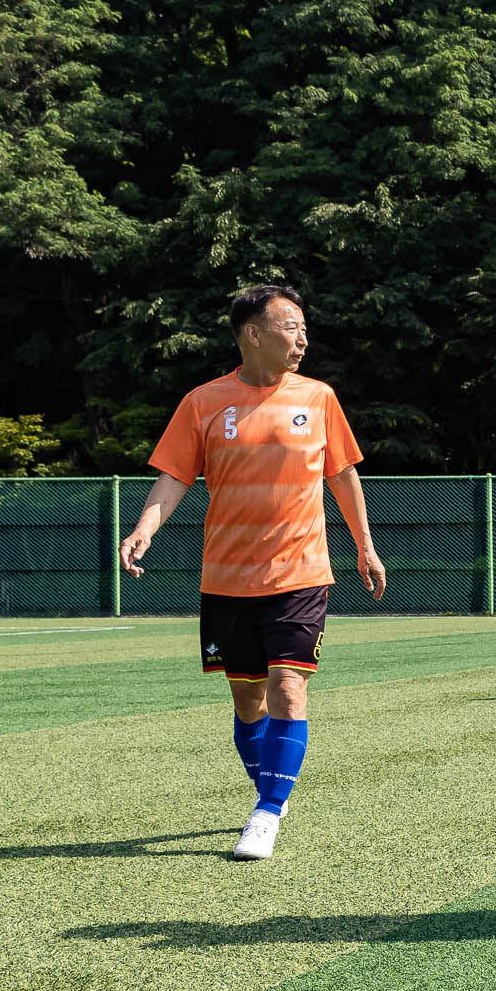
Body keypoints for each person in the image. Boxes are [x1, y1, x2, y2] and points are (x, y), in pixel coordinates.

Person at [116, 284, 387, 862]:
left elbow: (342, 476)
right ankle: (272, 788)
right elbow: (174, 478)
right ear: (253, 333)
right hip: (227, 580)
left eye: (304, 327)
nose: (303, 338)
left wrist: (365, 545)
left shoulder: (319, 398)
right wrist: (143, 529)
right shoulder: (203, 402)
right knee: (247, 702)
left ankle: (266, 812)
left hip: (302, 570)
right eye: (290, 326)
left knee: (288, 686)